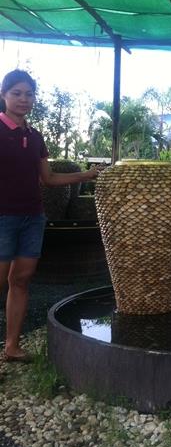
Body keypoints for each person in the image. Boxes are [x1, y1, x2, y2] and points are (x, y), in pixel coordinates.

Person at [0, 69, 100, 361]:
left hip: (33, 217)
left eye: (29, 94)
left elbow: (49, 178)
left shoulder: (35, 136)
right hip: (2, 217)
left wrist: (88, 174)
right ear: (4, 95)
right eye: (16, 93)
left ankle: (12, 347)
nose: (23, 99)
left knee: (21, 280)